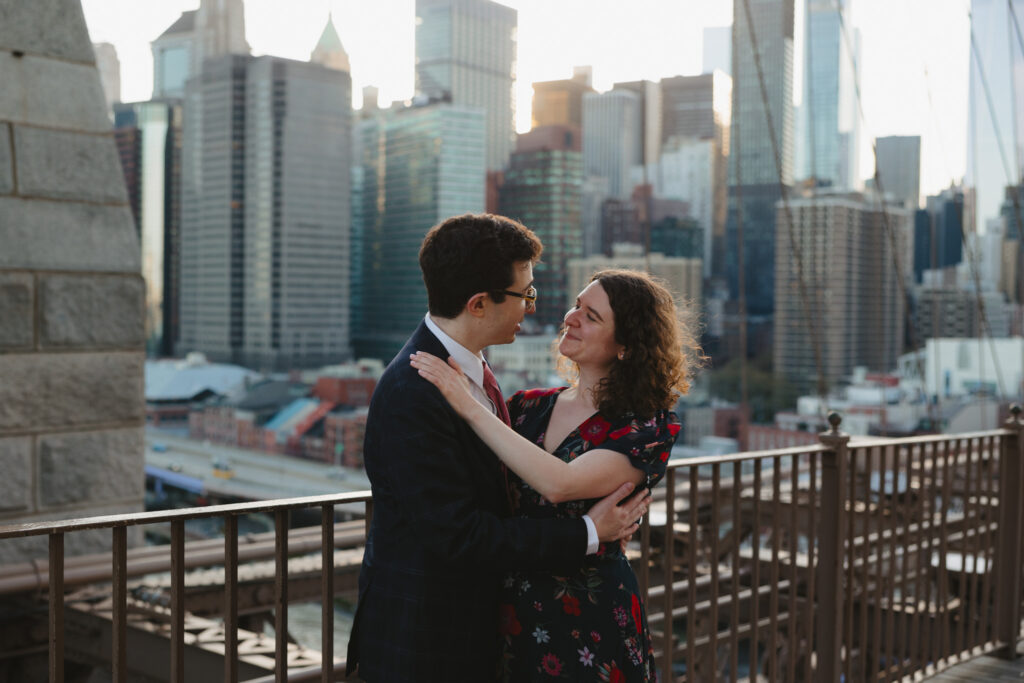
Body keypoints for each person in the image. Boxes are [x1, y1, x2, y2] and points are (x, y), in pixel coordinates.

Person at [346, 215, 652, 682]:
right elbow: (459, 536)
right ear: (479, 304)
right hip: (426, 644)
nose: (533, 307)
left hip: (492, 632)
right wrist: (589, 533)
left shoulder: (472, 377)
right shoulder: (414, 391)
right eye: (525, 294)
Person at [409, 268, 697, 682]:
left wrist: (466, 403)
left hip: (591, 617)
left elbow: (560, 484)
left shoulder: (646, 428)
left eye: (591, 316)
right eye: (577, 305)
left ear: (626, 346)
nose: (570, 317)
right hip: (508, 610)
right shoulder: (526, 407)